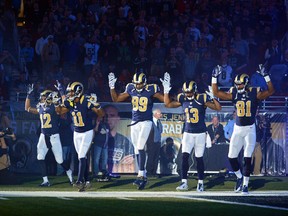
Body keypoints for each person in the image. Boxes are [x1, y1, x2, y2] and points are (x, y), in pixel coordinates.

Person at [211, 64, 274, 194]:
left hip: (250, 129)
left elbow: (271, 91)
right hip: (238, 129)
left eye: (240, 84)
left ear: (246, 83)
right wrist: (214, 78)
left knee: (247, 157)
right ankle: (239, 177)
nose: (237, 86)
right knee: (231, 157)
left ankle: (245, 185)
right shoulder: (234, 92)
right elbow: (216, 93)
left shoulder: (254, 92)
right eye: (236, 84)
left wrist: (266, 76)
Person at [161, 73, 221, 192]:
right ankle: (184, 182)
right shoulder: (182, 98)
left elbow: (218, 108)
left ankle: (200, 183)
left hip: (200, 133)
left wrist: (214, 97)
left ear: (194, 90)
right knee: (184, 157)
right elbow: (167, 104)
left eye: (189, 92)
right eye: (186, 92)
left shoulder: (201, 98)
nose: (188, 94)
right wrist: (166, 91)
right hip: (188, 132)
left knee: (199, 158)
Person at [108, 71, 164, 190]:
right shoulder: (130, 87)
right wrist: (112, 87)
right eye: (136, 84)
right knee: (136, 148)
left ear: (144, 83)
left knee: (140, 146)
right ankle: (142, 175)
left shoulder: (151, 89)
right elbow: (116, 99)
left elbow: (166, 101)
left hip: (146, 122)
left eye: (139, 84)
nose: (137, 86)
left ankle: (141, 175)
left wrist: (167, 91)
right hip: (134, 122)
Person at [54, 81, 105, 192]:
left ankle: (79, 180)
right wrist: (57, 104)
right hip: (76, 133)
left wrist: (98, 105)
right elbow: (60, 112)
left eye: (71, 92)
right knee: (82, 158)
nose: (69, 94)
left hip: (87, 132)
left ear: (78, 91)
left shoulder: (86, 101)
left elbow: (101, 114)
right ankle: (87, 182)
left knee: (82, 156)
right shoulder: (71, 102)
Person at [25, 85, 73, 187]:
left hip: (54, 136)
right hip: (43, 136)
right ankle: (45, 181)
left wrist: (61, 91)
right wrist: (28, 95)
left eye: (43, 97)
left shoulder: (55, 108)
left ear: (48, 97)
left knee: (59, 160)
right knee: (40, 157)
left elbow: (67, 107)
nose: (41, 99)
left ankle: (69, 171)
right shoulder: (40, 107)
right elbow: (27, 108)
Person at [103, 104, 134, 174]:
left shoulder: (125, 141)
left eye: (112, 115)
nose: (108, 118)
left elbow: (131, 167)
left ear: (118, 119)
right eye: (105, 116)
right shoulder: (95, 139)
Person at [92, 115, 110, 181]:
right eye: (99, 117)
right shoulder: (97, 124)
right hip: (98, 144)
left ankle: (104, 171)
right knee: (96, 159)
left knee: (105, 159)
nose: (100, 118)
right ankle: (96, 172)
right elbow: (95, 131)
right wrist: (97, 124)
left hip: (105, 145)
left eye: (101, 117)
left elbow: (108, 134)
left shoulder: (106, 125)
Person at [146, 108, 163, 177]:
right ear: (155, 114)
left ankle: (154, 172)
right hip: (151, 142)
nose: (161, 115)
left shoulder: (159, 122)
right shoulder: (150, 122)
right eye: (160, 114)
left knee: (156, 158)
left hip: (158, 142)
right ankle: (149, 171)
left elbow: (160, 131)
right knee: (151, 157)